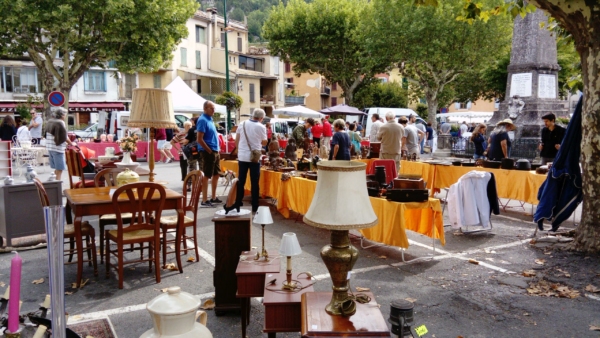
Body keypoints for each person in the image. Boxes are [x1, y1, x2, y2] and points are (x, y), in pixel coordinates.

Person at [229, 108, 268, 214]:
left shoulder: (242, 124)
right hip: (254, 157)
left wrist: (239, 150)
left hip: (242, 156)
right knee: (254, 182)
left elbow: (237, 139)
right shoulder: (261, 127)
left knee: (241, 180)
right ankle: (255, 205)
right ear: (261, 118)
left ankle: (238, 202)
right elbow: (264, 143)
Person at [197, 101, 222, 207]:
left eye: (214, 108)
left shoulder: (210, 119)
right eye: (211, 108)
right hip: (209, 151)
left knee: (216, 174)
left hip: (214, 150)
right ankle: (204, 200)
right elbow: (199, 139)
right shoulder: (202, 120)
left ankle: (213, 197)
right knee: (207, 175)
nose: (213, 110)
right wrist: (208, 150)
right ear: (205, 108)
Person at [45, 108, 75, 180]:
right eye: (65, 115)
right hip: (57, 148)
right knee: (60, 168)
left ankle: (55, 182)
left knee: (56, 168)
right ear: (62, 115)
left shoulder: (50, 121)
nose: (65, 116)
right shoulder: (60, 122)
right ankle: (57, 185)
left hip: (50, 147)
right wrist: (71, 143)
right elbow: (64, 136)